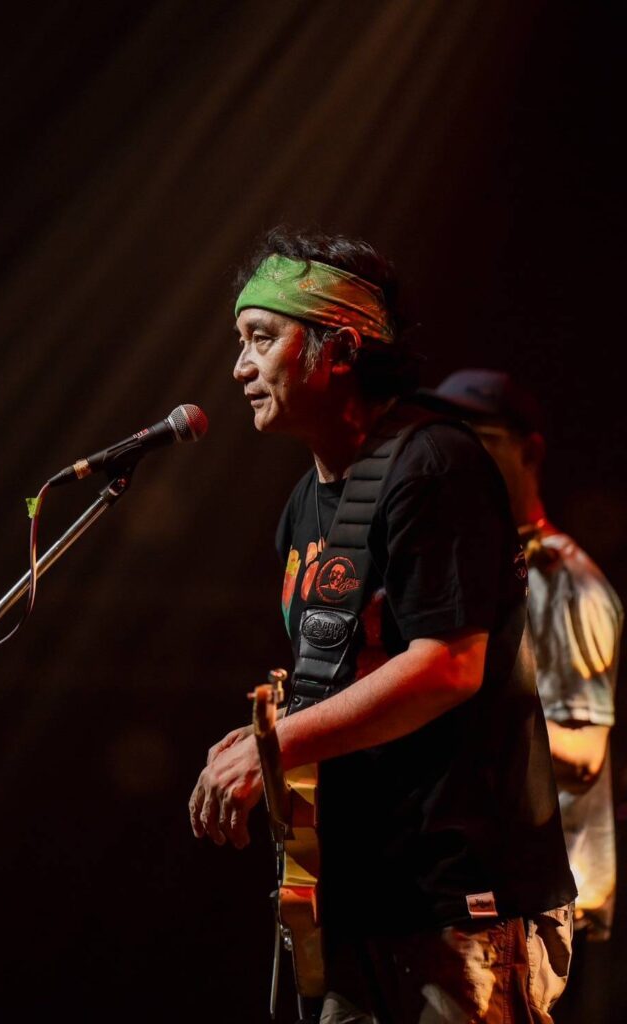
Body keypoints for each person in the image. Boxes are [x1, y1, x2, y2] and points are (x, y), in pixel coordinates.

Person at [188, 228, 576, 1024]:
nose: (239, 368)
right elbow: (350, 670)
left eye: (260, 338)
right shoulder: (304, 507)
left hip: (459, 902)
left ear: (340, 347)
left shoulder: (434, 465)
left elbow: (447, 666)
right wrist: (266, 729)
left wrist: (279, 745)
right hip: (361, 897)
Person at [420, 368, 622, 1018]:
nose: (458, 460)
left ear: (529, 452)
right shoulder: (477, 571)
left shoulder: (565, 584)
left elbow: (584, 755)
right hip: (483, 892)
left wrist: (452, 711)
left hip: (535, 904)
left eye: (479, 440)